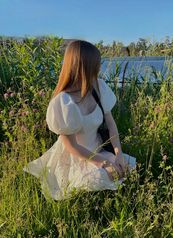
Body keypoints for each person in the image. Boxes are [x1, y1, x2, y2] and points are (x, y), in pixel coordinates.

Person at [23, 40, 136, 201]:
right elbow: (71, 146)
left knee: (125, 167)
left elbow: (111, 124)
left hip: (98, 148)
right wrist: (102, 162)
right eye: (96, 64)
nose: (98, 68)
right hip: (76, 156)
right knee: (102, 176)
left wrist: (118, 154)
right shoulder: (63, 102)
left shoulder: (98, 88)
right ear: (84, 67)